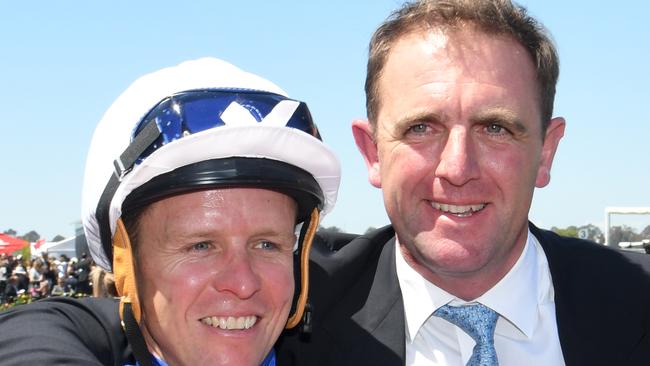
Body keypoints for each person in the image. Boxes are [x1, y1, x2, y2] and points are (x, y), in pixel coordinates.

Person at [276, 0, 650, 365]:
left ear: (546, 152)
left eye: (495, 128)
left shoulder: (637, 302)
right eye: (421, 128)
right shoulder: (282, 306)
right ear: (373, 152)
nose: (457, 168)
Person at [0, 57, 340, 366]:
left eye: (267, 244)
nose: (243, 284)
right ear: (127, 267)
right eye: (201, 245)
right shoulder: (54, 338)